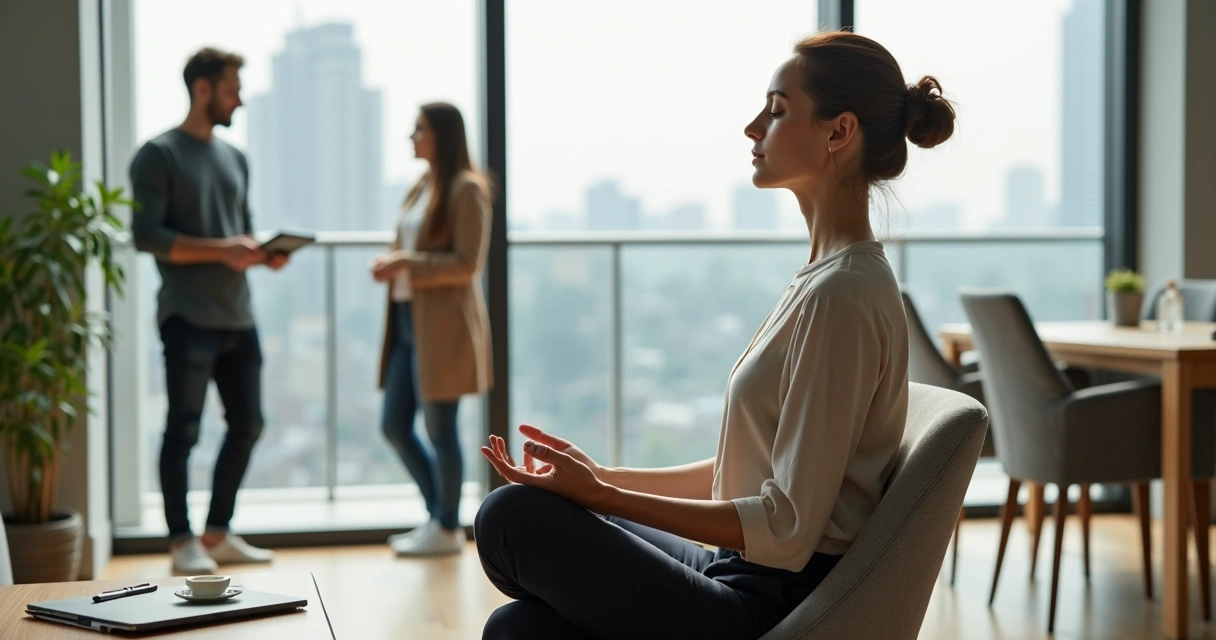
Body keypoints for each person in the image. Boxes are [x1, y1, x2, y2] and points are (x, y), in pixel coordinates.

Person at [474, 30, 957, 639]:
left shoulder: (845, 294)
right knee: (519, 624)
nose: (753, 128)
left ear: (838, 133)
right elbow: (747, 474)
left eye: (778, 111)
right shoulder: (825, 278)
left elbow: (786, 527)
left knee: (510, 519)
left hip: (768, 605)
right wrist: (601, 481)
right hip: (740, 569)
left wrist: (604, 496)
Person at [130, 47, 289, 575]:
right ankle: (181, 543)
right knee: (183, 430)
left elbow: (240, 228)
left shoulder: (235, 157)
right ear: (203, 88)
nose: (239, 99)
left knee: (248, 424)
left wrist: (263, 255)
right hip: (187, 316)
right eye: (232, 88)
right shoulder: (157, 155)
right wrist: (223, 249)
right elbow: (147, 236)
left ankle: (217, 532)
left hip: (238, 315)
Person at [369, 102, 494, 556]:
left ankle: (445, 526)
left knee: (441, 429)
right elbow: (412, 247)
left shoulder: (467, 189)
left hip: (442, 328)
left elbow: (467, 263)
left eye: (418, 128)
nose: (411, 136)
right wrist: (392, 263)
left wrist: (405, 263)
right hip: (407, 320)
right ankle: (438, 517)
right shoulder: (422, 186)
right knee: (394, 425)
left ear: (441, 134)